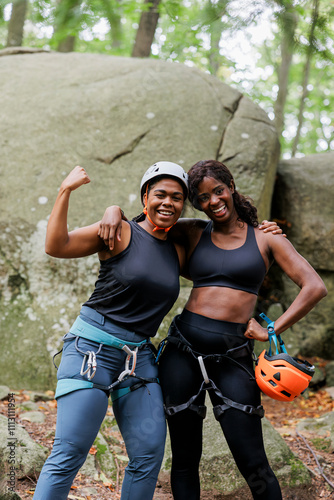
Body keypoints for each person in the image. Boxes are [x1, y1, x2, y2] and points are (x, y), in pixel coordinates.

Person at [100, 160, 327, 500]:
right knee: (184, 459)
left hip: (233, 357)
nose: (213, 202)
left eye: (217, 191)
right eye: (202, 198)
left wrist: (271, 329)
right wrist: (113, 210)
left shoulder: (266, 238)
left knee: (253, 461)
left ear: (231, 187)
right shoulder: (192, 230)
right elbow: (145, 223)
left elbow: (314, 286)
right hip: (182, 352)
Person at [33, 161, 189, 500]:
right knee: (69, 453)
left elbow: (228, 254)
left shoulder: (179, 248)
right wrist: (66, 191)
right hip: (90, 351)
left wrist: (265, 231)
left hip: (139, 362)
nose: (168, 203)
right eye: (160, 194)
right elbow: (56, 246)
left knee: (148, 455)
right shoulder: (118, 232)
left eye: (177, 197)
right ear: (145, 196)